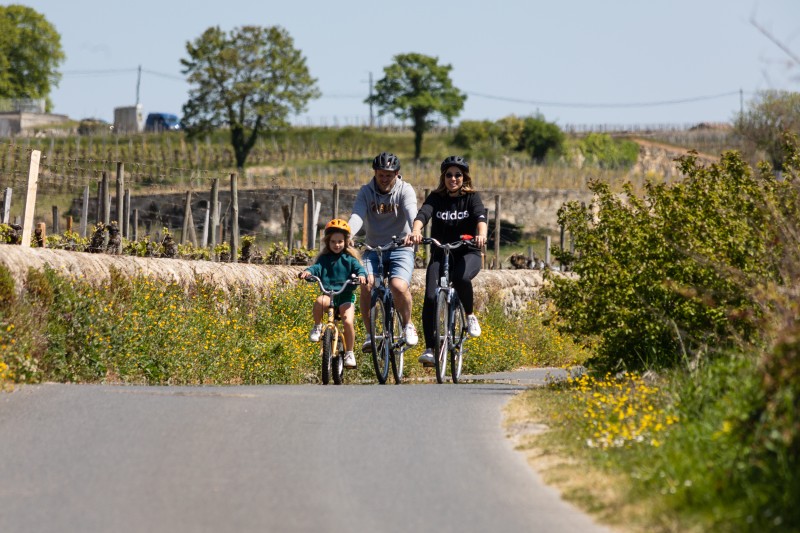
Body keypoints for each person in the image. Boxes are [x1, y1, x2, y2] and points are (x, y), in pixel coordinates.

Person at [406, 155, 488, 366]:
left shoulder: (472, 198)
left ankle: (469, 316)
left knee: (460, 279)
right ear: (443, 177)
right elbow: (423, 214)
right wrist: (416, 230)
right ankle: (430, 349)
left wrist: (481, 235)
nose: (453, 179)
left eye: (457, 175)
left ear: (464, 177)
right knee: (430, 297)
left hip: (467, 252)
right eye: (449, 175)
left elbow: (480, 218)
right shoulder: (436, 197)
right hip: (441, 253)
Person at [348, 151, 419, 351]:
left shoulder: (405, 190)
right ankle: (370, 334)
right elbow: (357, 216)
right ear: (375, 173)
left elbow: (412, 212)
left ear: (396, 173)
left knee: (398, 286)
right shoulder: (366, 192)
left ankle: (407, 324)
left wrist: (415, 231)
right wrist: (348, 234)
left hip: (401, 247)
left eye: (389, 175)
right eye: (381, 175)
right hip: (374, 248)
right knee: (366, 284)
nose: (384, 179)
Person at [298, 219, 367, 369]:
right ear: (328, 242)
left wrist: (361, 276)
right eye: (333, 242)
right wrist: (308, 272)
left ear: (346, 242)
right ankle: (317, 326)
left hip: (346, 296)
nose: (337, 245)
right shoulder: (324, 259)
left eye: (340, 241)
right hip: (329, 295)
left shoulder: (350, 259)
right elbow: (316, 268)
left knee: (348, 322)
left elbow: (360, 269)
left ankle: (349, 352)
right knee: (319, 302)